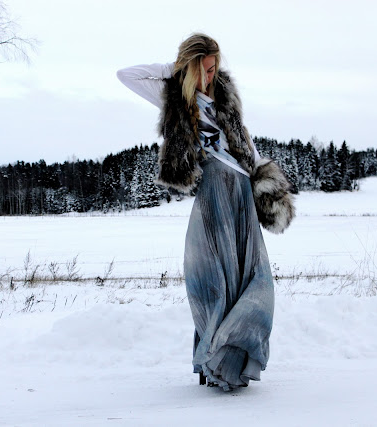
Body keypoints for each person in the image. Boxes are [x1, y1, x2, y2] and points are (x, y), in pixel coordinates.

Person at [117, 33, 294, 391]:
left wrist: (262, 177)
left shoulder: (225, 94)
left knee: (250, 276)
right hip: (212, 191)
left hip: (241, 191)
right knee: (211, 278)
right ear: (189, 66)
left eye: (213, 69)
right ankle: (213, 359)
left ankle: (235, 361)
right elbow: (126, 75)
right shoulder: (172, 95)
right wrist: (175, 69)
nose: (210, 76)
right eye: (203, 69)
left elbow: (244, 141)